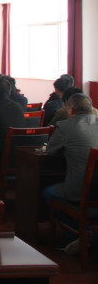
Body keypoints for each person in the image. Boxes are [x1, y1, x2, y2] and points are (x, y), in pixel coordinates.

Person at [43, 93, 98, 253]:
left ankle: (76, 234)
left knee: (48, 193)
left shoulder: (66, 126)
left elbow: (51, 150)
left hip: (80, 191)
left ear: (71, 110)